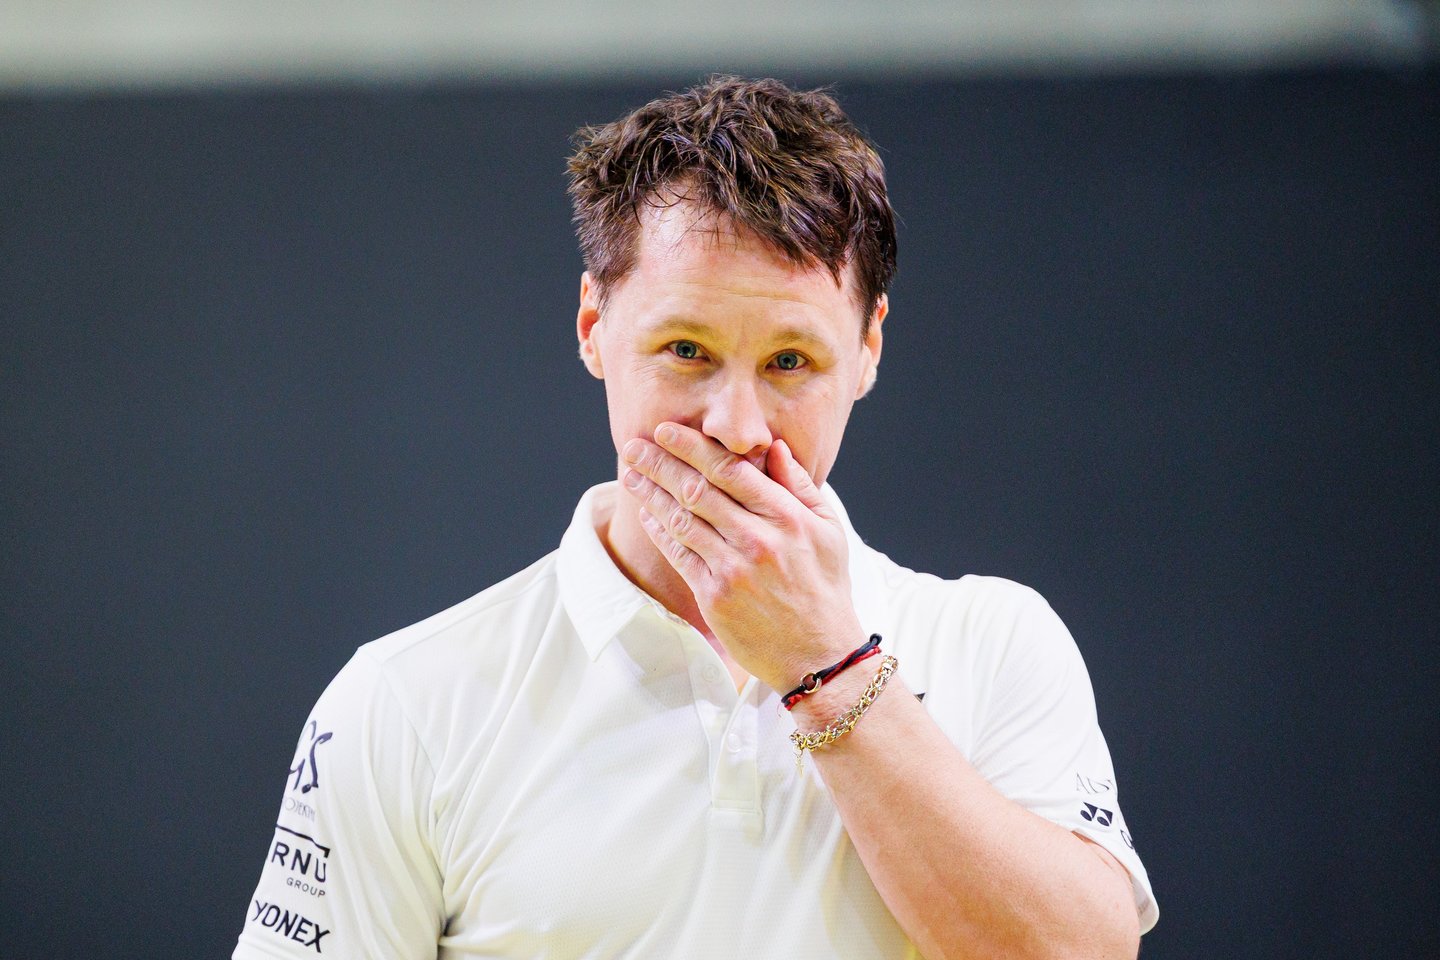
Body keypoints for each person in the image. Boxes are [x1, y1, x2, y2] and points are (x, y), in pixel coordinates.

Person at [233, 76, 1157, 960]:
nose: (738, 429)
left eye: (791, 362)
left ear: (868, 348)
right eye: (686, 349)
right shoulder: (402, 702)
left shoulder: (998, 647)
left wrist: (827, 668)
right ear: (594, 326)